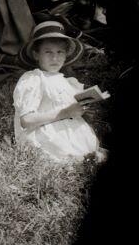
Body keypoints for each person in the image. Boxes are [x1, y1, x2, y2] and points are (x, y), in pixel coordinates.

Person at [13, 20, 106, 165]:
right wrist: (66, 113)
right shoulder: (34, 79)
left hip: (69, 131)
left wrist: (83, 114)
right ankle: (80, 159)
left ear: (66, 54)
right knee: (68, 155)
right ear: (36, 54)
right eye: (48, 52)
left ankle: (87, 157)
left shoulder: (69, 82)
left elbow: (71, 112)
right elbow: (26, 121)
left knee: (90, 150)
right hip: (44, 134)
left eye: (60, 52)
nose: (55, 58)